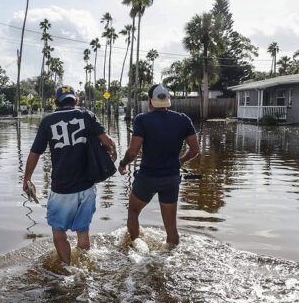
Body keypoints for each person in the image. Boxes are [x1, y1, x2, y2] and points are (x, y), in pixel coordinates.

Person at [23, 85, 117, 265]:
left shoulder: (48, 121)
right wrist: (112, 155)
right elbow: (108, 142)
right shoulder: (86, 115)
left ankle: (67, 269)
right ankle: (83, 267)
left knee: (59, 232)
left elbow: (35, 153)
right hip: (87, 186)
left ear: (56, 102)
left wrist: (27, 179)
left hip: (62, 189)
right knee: (83, 231)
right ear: (76, 100)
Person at [118, 84, 200, 246]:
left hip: (147, 178)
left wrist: (122, 164)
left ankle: (137, 249)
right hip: (171, 179)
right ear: (169, 100)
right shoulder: (183, 119)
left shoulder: (142, 119)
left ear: (150, 101)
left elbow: (133, 152)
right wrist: (181, 161)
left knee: (133, 213)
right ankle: (172, 254)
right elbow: (195, 149)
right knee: (171, 228)